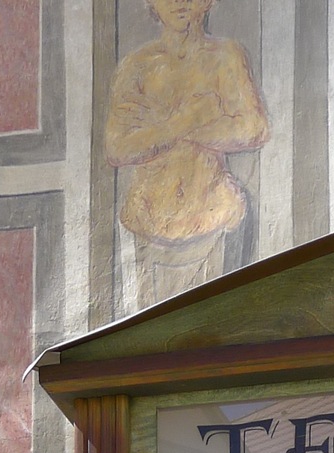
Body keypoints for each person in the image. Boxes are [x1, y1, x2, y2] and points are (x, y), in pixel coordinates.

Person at [104, 0, 269, 309]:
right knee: (146, 329)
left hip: (214, 217)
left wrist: (161, 127)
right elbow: (117, 148)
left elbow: (253, 128)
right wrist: (190, 119)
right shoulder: (136, 66)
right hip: (147, 224)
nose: (179, 2)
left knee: (219, 321)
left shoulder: (226, 56)